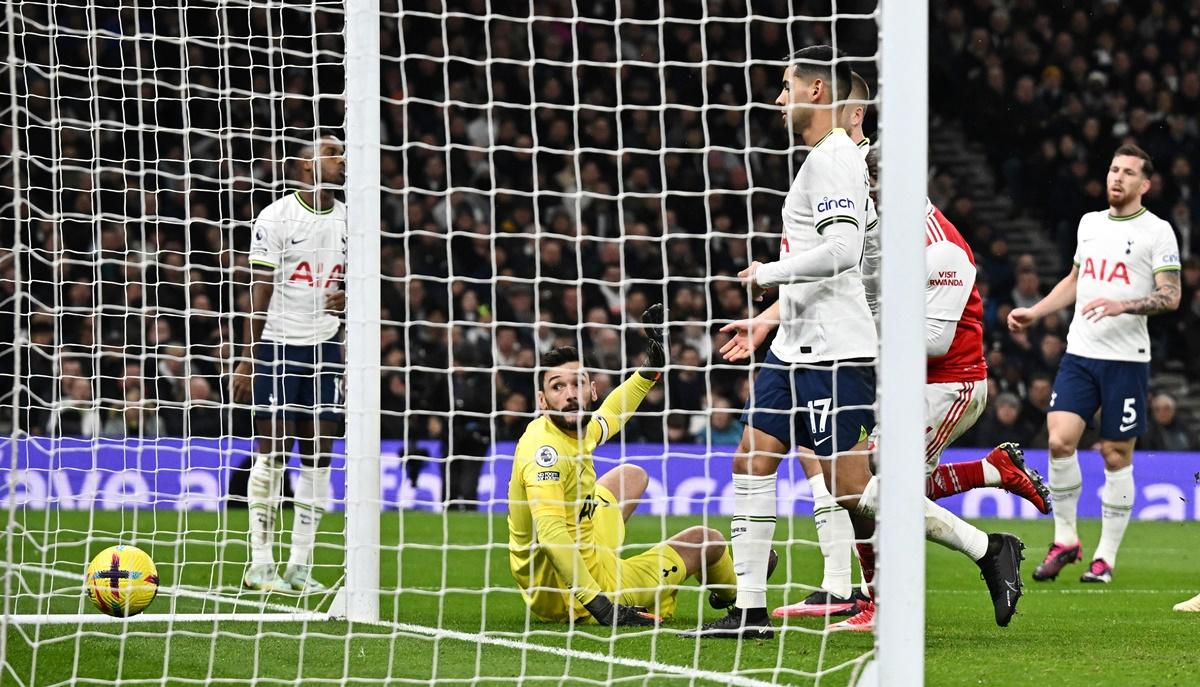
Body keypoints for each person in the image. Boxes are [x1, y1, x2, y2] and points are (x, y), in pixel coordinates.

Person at [718, 68, 1039, 631]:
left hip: (914, 374)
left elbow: (911, 320)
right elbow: (845, 278)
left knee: (863, 490)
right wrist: (769, 320)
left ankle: (983, 549)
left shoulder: (930, 240)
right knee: (761, 459)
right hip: (814, 348)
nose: (871, 178)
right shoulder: (856, 197)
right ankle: (751, 609)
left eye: (788, 86)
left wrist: (776, 277)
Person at [507, 307, 757, 626]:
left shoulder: (577, 428)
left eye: (577, 384)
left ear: (592, 391)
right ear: (542, 402)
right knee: (705, 539)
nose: (570, 395)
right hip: (572, 594)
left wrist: (652, 368)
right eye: (557, 387)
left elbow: (613, 412)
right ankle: (735, 594)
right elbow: (551, 533)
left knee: (632, 476)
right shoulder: (546, 452)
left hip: (586, 539)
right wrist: (600, 604)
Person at [1009, 144, 1182, 584]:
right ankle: (1065, 539)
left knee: (1114, 453)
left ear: (1145, 184)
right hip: (1080, 354)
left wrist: (1122, 305)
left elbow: (1171, 295)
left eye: (1127, 172)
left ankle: (1105, 557)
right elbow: (1074, 280)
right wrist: (1037, 311)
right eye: (1113, 169)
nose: (1117, 177)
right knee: (1059, 440)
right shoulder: (1089, 223)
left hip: (1125, 361)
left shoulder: (1157, 231)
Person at [231, 135, 347, 592]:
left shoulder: (350, 219)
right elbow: (257, 291)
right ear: (305, 166)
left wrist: (348, 295)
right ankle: (260, 563)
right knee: (273, 450)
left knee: (319, 452)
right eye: (332, 153)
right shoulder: (276, 217)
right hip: (278, 346)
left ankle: (299, 565)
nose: (342, 160)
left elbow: (362, 282)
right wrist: (248, 357)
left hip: (325, 346)